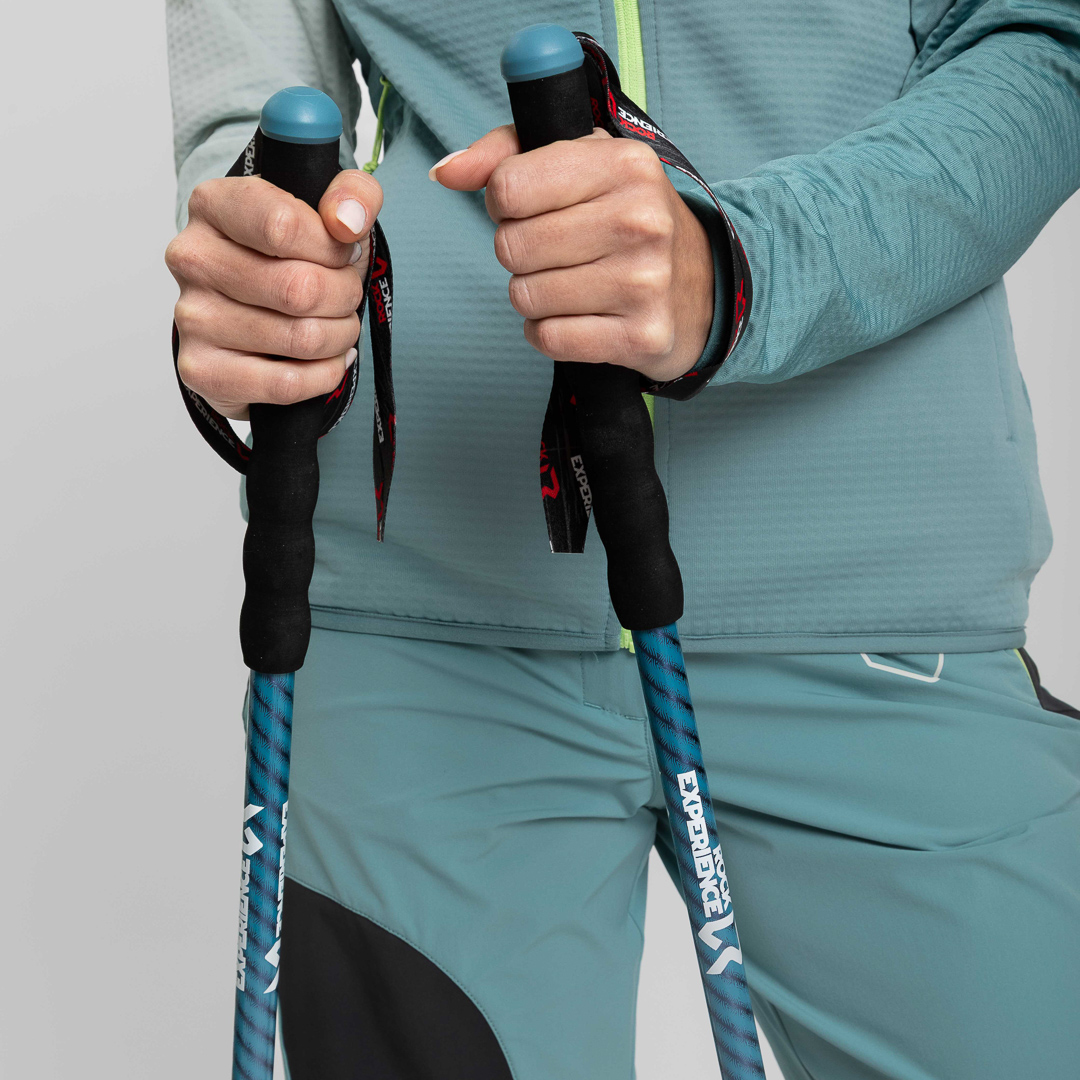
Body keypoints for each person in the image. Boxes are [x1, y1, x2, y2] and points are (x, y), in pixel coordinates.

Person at [165, 2, 1080, 1077]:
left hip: (878, 610)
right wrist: (263, 273)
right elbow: (252, 104)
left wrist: (742, 263)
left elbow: (1041, 38)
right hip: (419, 631)